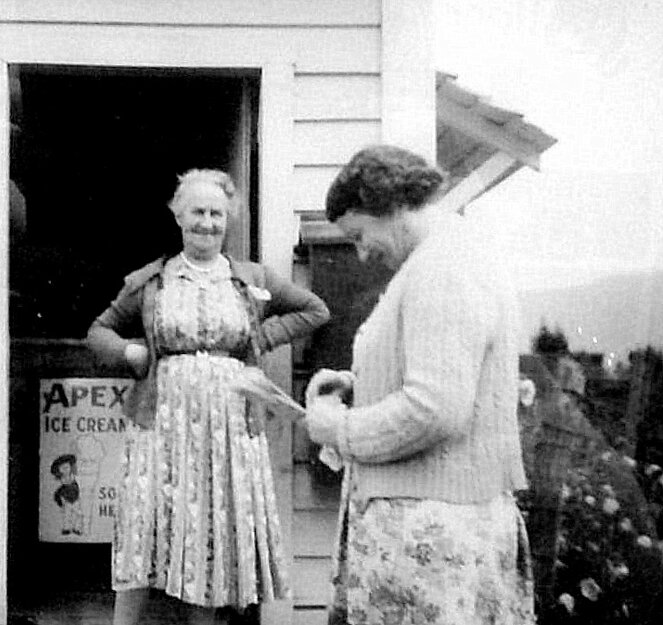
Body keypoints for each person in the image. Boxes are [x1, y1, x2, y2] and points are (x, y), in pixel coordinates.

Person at [305, 145, 536, 625]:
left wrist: (337, 430)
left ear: (389, 205)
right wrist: (362, 384)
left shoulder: (443, 267)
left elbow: (435, 409)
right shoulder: (438, 259)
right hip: (433, 527)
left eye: (359, 235)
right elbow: (444, 377)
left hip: (433, 539)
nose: (361, 253)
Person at [87, 169, 330, 624]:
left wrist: (262, 337)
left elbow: (314, 310)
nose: (207, 223)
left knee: (208, 531)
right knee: (145, 525)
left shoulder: (250, 278)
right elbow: (99, 331)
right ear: (178, 216)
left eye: (217, 214)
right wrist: (129, 352)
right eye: (197, 212)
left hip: (228, 429)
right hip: (161, 426)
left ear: (228, 219)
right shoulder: (152, 280)